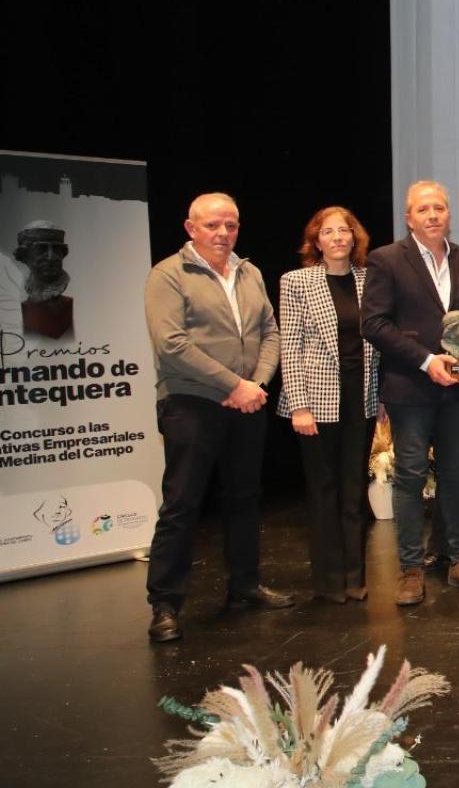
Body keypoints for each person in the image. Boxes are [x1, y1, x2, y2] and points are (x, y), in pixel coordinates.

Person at [142, 193, 291, 642]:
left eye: (231, 225)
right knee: (182, 504)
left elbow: (270, 330)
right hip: (190, 404)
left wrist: (258, 384)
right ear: (191, 228)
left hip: (247, 401)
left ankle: (244, 585)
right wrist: (234, 385)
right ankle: (165, 604)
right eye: (213, 226)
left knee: (245, 497)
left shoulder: (250, 272)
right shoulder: (167, 274)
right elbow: (172, 345)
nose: (223, 233)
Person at [361, 180, 459, 605]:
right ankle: (411, 569)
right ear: (409, 217)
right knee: (410, 476)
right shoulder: (386, 260)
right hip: (411, 387)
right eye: (424, 209)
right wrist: (426, 360)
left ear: (448, 214)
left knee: (457, 474)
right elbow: (374, 324)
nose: (433, 215)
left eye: (439, 208)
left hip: (458, 387)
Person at [277, 206, 381, 604]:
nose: (338, 237)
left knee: (354, 489)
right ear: (316, 241)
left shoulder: (369, 280)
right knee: (324, 490)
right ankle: (328, 580)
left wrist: (383, 395)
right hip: (316, 402)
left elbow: (380, 343)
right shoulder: (296, 282)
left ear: (355, 239)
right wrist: (299, 405)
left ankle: (355, 577)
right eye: (328, 232)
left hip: (362, 397)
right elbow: (290, 346)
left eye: (344, 231)